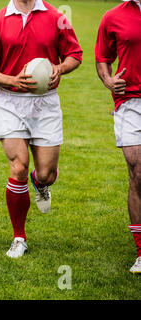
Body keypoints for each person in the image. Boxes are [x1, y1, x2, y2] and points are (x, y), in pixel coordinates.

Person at [0, 0, 82, 258]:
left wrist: (59, 68)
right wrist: (13, 80)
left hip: (45, 103)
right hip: (10, 102)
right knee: (19, 166)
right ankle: (19, 237)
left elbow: (75, 55)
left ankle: (40, 183)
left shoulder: (57, 17)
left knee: (46, 173)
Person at [95, 0, 141, 274]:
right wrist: (108, 80)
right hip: (130, 102)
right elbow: (102, 58)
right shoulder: (113, 16)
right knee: (138, 172)